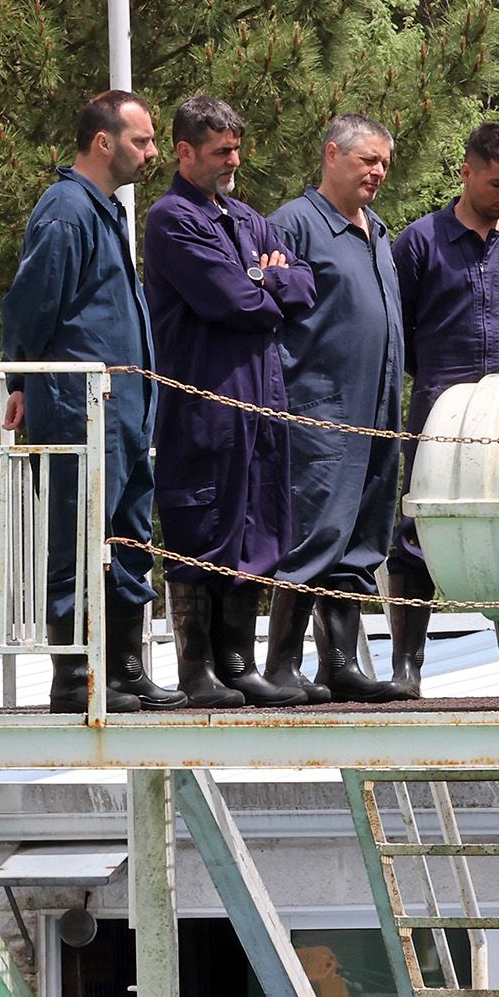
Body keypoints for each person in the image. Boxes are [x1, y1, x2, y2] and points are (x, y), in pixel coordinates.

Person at [1, 90, 184, 714]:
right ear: (103, 142)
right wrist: (19, 382)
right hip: (79, 404)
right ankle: (74, 676)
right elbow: (29, 305)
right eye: (142, 140)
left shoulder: (107, 209)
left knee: (129, 534)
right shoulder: (65, 209)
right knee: (79, 534)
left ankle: (125, 668)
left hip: (127, 405)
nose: (152, 152)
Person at [144, 94, 317, 708]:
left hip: (262, 393)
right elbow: (233, 302)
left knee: (258, 525)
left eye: (237, 148)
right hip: (205, 398)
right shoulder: (172, 218)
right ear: (185, 151)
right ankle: (198, 671)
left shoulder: (248, 219)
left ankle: (238, 662)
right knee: (205, 524)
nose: (233, 160)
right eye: (221, 151)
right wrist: (267, 282)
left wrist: (269, 279)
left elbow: (303, 286)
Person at [389, 121, 499, 697]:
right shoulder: (419, 242)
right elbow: (398, 332)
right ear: (465, 172)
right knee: (418, 531)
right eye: (495, 184)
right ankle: (407, 667)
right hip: (438, 413)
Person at [264, 114, 411, 705]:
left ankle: (340, 664)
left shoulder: (377, 229)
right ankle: (280, 665)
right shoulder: (292, 224)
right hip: (320, 408)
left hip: (378, 409)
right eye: (366, 160)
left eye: (383, 163)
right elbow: (265, 314)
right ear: (332, 154)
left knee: (362, 537)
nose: (377, 172)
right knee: (315, 533)